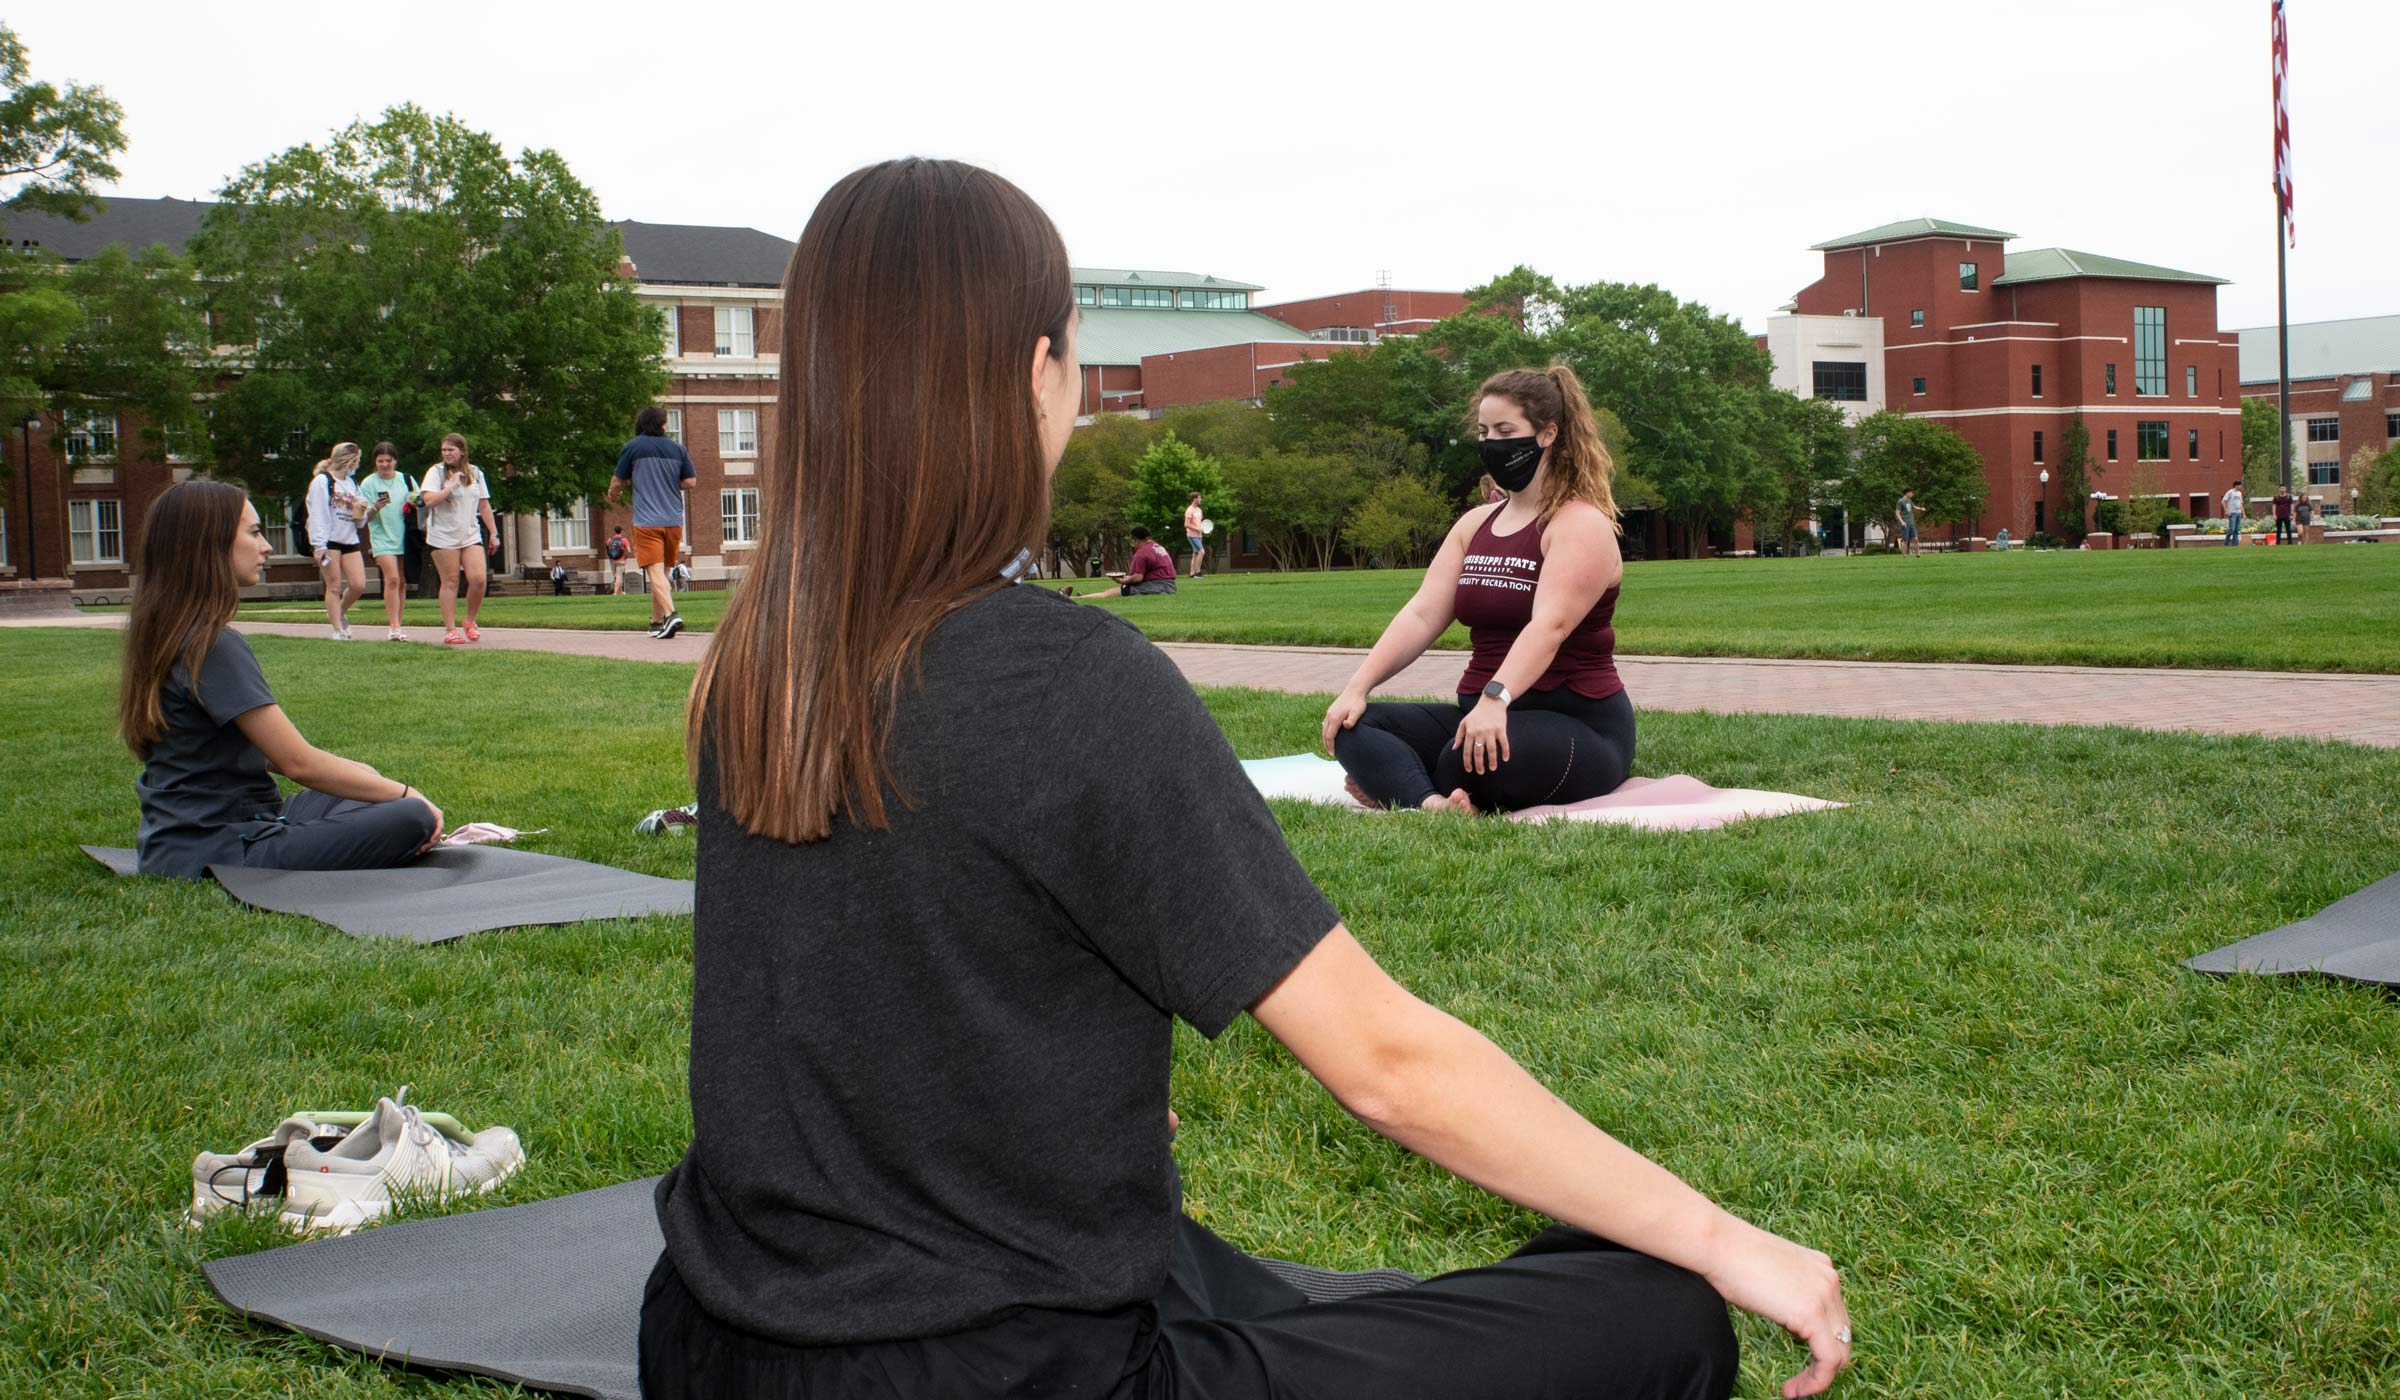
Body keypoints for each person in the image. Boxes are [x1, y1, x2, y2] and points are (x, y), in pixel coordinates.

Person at [646, 156, 1848, 1400]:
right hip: (1017, 1371)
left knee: (1208, 1263)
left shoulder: (756, 662)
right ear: (1038, 371)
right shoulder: (1072, 681)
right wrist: (1722, 1234)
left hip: (712, 1343)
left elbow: (857, 989)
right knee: (1652, 1304)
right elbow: (1388, 1063)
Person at [1323, 365, 1636, 817]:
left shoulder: (1579, 524)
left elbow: (1550, 625)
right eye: (1485, 431)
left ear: (1548, 434)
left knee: (1463, 760)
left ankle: (1403, 781)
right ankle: (1432, 803)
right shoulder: (1474, 525)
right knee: (1355, 726)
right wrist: (1357, 687)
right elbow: (1422, 614)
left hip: (1577, 725)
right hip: (1480, 716)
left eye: (1506, 430)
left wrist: (1495, 699)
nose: (1492, 443)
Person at [120, 479, 444, 879]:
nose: (267, 546)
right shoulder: (212, 644)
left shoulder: (170, 632)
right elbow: (297, 763)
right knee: (409, 816)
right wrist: (410, 795)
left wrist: (371, 778)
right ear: (210, 543)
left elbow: (270, 754)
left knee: (366, 787)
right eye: (254, 532)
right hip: (223, 849)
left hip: (182, 842)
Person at [605, 406, 696, 640]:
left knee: (655, 573)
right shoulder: (678, 449)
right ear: (661, 424)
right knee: (662, 574)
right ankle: (656, 623)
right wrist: (668, 481)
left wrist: (613, 495)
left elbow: (618, 481)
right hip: (674, 520)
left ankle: (671, 613)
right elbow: (690, 482)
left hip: (647, 521)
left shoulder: (633, 447)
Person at [419, 433, 500, 645]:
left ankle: (470, 621)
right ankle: (450, 629)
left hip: (470, 534)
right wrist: (451, 486)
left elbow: (483, 505)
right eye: (444, 450)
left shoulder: (475, 473)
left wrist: (493, 533)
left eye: (451, 450)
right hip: (443, 536)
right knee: (451, 580)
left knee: (478, 579)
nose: (446, 454)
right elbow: (428, 501)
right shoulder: (435, 473)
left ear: (462, 451)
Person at [303, 442, 370, 640]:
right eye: (357, 461)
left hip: (349, 538)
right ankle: (337, 630)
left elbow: (359, 521)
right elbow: (318, 514)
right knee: (334, 585)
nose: (358, 465)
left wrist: (362, 510)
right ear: (349, 460)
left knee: (358, 584)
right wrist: (319, 545)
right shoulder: (322, 482)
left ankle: (339, 612)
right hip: (329, 540)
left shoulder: (352, 484)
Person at [356, 442, 416, 641]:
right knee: (392, 579)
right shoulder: (368, 484)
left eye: (388, 461)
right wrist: (375, 508)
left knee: (401, 581)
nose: (384, 465)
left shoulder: (405, 480)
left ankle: (400, 623)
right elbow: (364, 519)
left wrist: (415, 501)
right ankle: (393, 626)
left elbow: (420, 500)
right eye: (380, 461)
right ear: (375, 462)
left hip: (404, 536)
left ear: (395, 461)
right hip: (382, 538)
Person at [1063, 524, 1177, 599]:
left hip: (1156, 587)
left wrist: (1122, 580)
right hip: (1170, 586)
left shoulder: (1142, 553)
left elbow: (1137, 578)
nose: (1132, 545)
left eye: (1132, 542)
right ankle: (1079, 597)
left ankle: (1072, 599)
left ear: (1137, 540)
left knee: (1110, 593)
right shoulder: (1158, 547)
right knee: (1114, 591)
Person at [1184, 491, 1207, 578]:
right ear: (1194, 499)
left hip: (1199, 535)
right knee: (1202, 551)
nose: (1200, 499)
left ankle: (1192, 573)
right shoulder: (1189, 510)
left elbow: (1199, 523)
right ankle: (1198, 573)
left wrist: (1205, 529)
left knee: (1195, 553)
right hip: (1192, 535)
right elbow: (1186, 524)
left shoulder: (1199, 510)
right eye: (1199, 498)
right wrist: (1197, 529)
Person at [606, 527, 632, 595]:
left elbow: (607, 550)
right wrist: (625, 557)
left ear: (614, 531)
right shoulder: (624, 540)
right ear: (621, 531)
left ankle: (620, 592)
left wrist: (611, 558)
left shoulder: (609, 540)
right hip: (621, 560)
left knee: (616, 576)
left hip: (612, 560)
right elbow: (629, 551)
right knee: (618, 575)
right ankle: (615, 593)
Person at [1895, 489, 1920, 557]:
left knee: (1915, 539)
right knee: (1905, 540)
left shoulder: (1909, 500)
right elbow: (1897, 513)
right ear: (1907, 493)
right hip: (1904, 524)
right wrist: (1902, 522)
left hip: (1911, 523)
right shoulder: (1900, 501)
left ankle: (1918, 554)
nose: (1912, 494)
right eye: (1911, 493)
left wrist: (1921, 508)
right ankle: (1904, 556)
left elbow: (1913, 506)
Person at [2222, 481, 2245, 547]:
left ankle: (2235, 544)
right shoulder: (2230, 492)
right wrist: (2226, 510)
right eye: (2240, 485)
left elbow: (2241, 504)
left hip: (2238, 513)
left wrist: (2243, 514)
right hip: (2232, 513)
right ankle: (2226, 544)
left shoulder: (2239, 493)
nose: (2241, 486)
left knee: (2237, 529)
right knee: (2232, 529)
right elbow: (2223, 501)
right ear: (2236, 485)